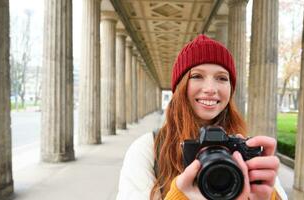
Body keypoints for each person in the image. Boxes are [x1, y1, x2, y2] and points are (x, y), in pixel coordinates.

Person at [117, 34, 286, 200]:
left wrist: (266, 197)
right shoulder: (148, 149)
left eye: (221, 78)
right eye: (197, 76)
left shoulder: (243, 149)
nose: (211, 88)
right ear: (180, 86)